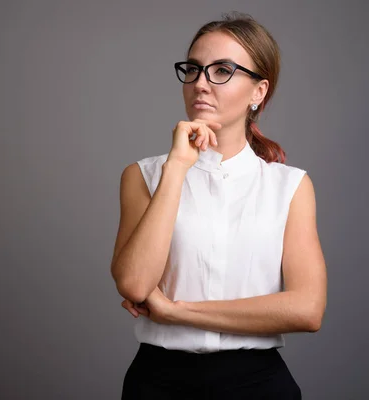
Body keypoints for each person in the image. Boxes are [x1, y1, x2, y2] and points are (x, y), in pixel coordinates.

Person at [110, 12, 327, 400]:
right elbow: (134, 284)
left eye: (221, 71)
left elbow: (308, 310)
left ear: (258, 92)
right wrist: (177, 166)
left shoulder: (289, 186)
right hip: (158, 382)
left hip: (257, 384)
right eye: (193, 70)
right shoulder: (143, 175)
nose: (200, 84)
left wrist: (176, 312)